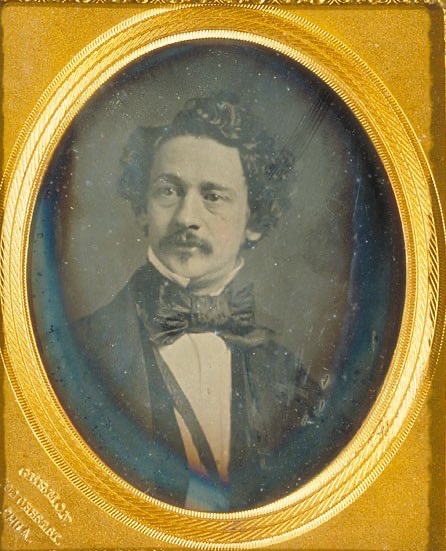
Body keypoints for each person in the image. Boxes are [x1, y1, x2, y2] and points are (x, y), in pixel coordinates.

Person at [71, 93, 321, 511]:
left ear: (254, 220)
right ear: (143, 208)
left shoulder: (287, 377)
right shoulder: (79, 353)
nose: (187, 217)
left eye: (213, 196)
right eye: (169, 191)